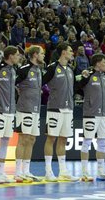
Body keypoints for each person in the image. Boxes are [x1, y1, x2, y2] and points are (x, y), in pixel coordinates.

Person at [41, 43, 76, 182]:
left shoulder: (70, 69)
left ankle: (63, 171)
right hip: (55, 108)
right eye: (70, 50)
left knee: (63, 139)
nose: (72, 53)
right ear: (63, 53)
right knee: (51, 138)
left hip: (69, 109)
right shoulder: (52, 67)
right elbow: (40, 82)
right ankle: (48, 172)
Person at [0, 45, 20, 184]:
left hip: (11, 111)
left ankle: (1, 171)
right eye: (17, 54)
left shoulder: (14, 70)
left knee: (6, 141)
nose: (19, 57)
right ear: (10, 56)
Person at [14, 45, 45, 182]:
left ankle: (26, 171)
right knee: (23, 139)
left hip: (36, 110)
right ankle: (17, 172)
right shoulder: (24, 69)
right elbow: (11, 84)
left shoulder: (38, 70)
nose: (43, 56)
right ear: (35, 55)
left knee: (32, 139)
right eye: (42, 53)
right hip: (24, 109)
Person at [77, 53, 105, 182]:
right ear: (98, 63)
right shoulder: (88, 75)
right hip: (90, 113)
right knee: (87, 142)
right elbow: (77, 87)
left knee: (102, 142)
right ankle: (84, 172)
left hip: (104, 114)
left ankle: (100, 171)